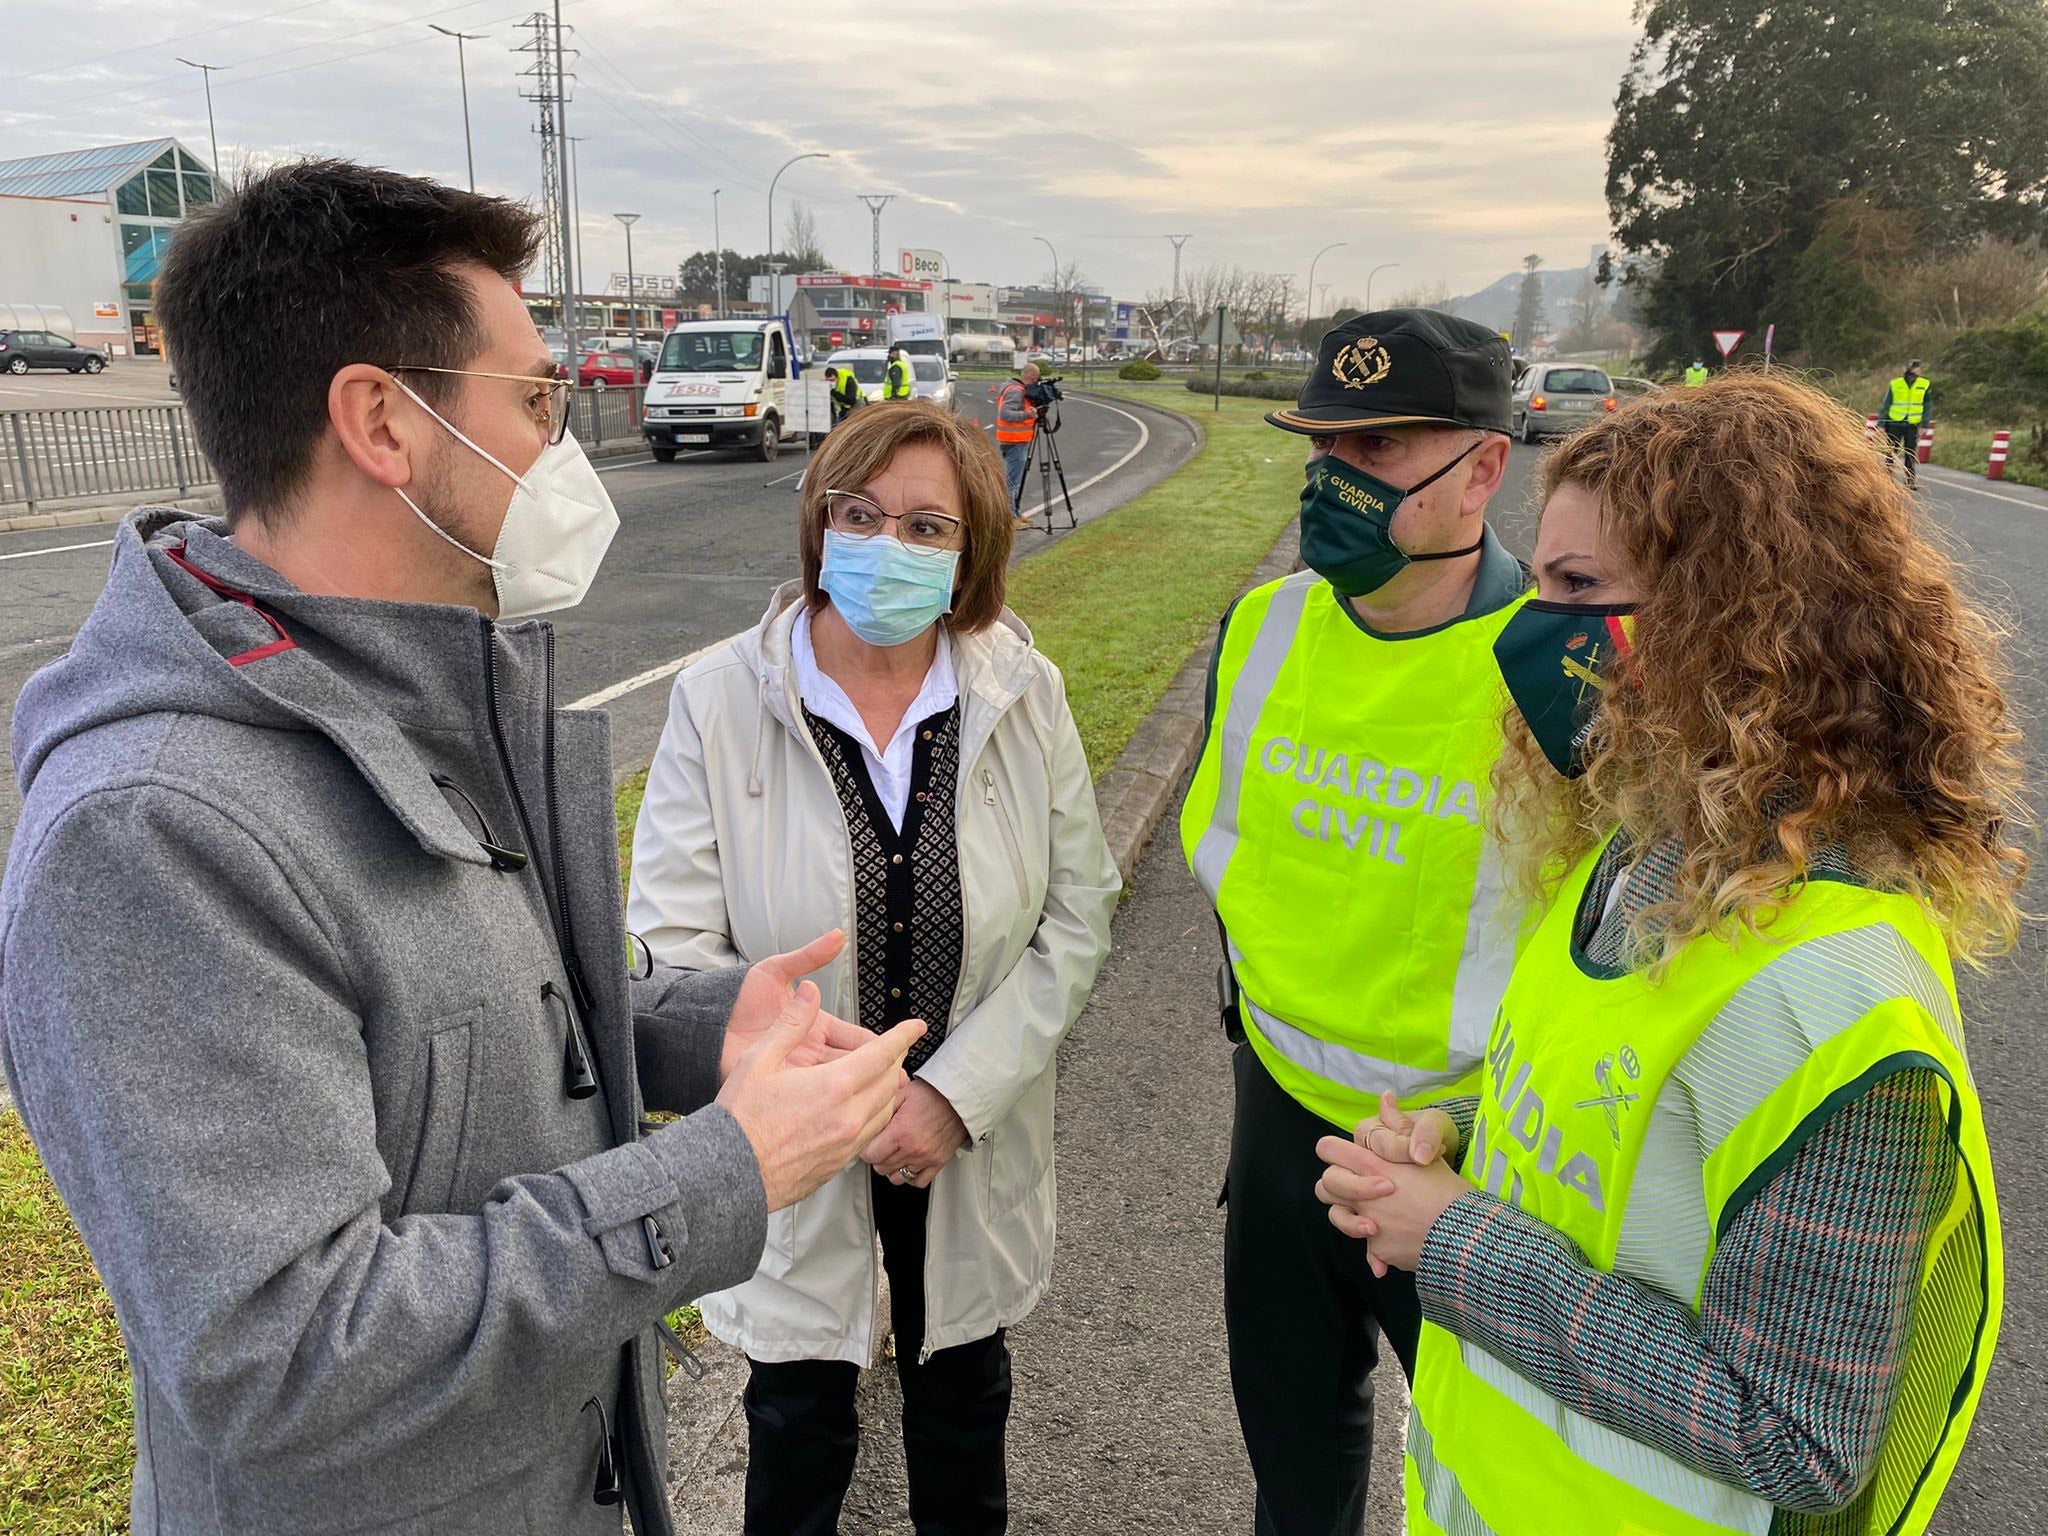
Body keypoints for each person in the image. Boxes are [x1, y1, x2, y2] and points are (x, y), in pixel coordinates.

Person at [0, 160, 924, 1536]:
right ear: (382, 420)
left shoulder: (409, 687)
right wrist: (725, 1168)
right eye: (538, 403)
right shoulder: (155, 827)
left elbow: (473, 1005)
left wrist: (696, 1022)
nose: (563, 448)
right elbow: (283, 1354)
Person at [1319, 374, 2015, 1536]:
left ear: (1740, 621)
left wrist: (1452, 1237)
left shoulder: (1830, 1002)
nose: (1531, 628)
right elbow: (1614, 1121)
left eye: (1577, 589)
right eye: (1538, 581)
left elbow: (1793, 1433)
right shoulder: (1640, 854)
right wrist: (1463, 1133)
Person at [626, 399, 1121, 1536]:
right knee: (795, 1425)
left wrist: (952, 1095)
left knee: (962, 1411)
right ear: (818, 522)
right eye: (859, 513)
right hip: (799, 1138)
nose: (884, 546)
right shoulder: (721, 698)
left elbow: (1074, 914)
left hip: (965, 1141)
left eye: (925, 527)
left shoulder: (1018, 695)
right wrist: (832, 1096)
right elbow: (675, 942)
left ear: (972, 554)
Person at [1178, 309, 1526, 1536]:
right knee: (1293, 1467)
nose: (1334, 478)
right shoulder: (1259, 627)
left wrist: (1473, 1126)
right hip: (1276, 1119)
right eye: (1322, 446)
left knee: (1483, 1486)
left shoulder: (1559, 674)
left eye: (1376, 450)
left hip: (1465, 1154)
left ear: (1480, 466)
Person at [995, 361, 1040, 517]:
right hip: (1014, 441)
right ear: (1033, 377)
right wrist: (1028, 414)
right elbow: (1005, 414)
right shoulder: (1016, 391)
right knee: (1012, 482)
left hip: (1015, 440)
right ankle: (1010, 517)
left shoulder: (1015, 388)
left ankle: (1015, 513)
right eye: (1037, 379)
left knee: (1013, 481)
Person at [1880, 358, 1932, 488]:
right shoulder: (1896, 384)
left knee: (1910, 453)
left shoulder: (1924, 384)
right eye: (1915, 367)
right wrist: (1881, 423)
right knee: (1891, 453)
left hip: (1912, 424)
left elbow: (1928, 405)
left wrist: (1925, 424)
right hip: (1894, 423)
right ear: (1909, 369)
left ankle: (1910, 481)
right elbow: (1887, 404)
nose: (1918, 370)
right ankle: (1886, 480)